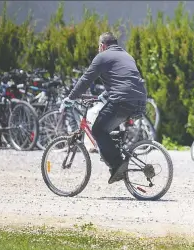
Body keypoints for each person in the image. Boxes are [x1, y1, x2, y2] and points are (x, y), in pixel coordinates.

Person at [61, 32, 147, 184]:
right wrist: (104, 95)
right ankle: (118, 156)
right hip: (140, 100)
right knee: (109, 129)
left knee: (98, 130)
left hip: (121, 100)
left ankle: (117, 165)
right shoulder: (127, 56)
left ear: (102, 46)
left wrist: (71, 98)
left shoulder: (102, 56)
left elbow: (86, 79)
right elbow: (124, 81)